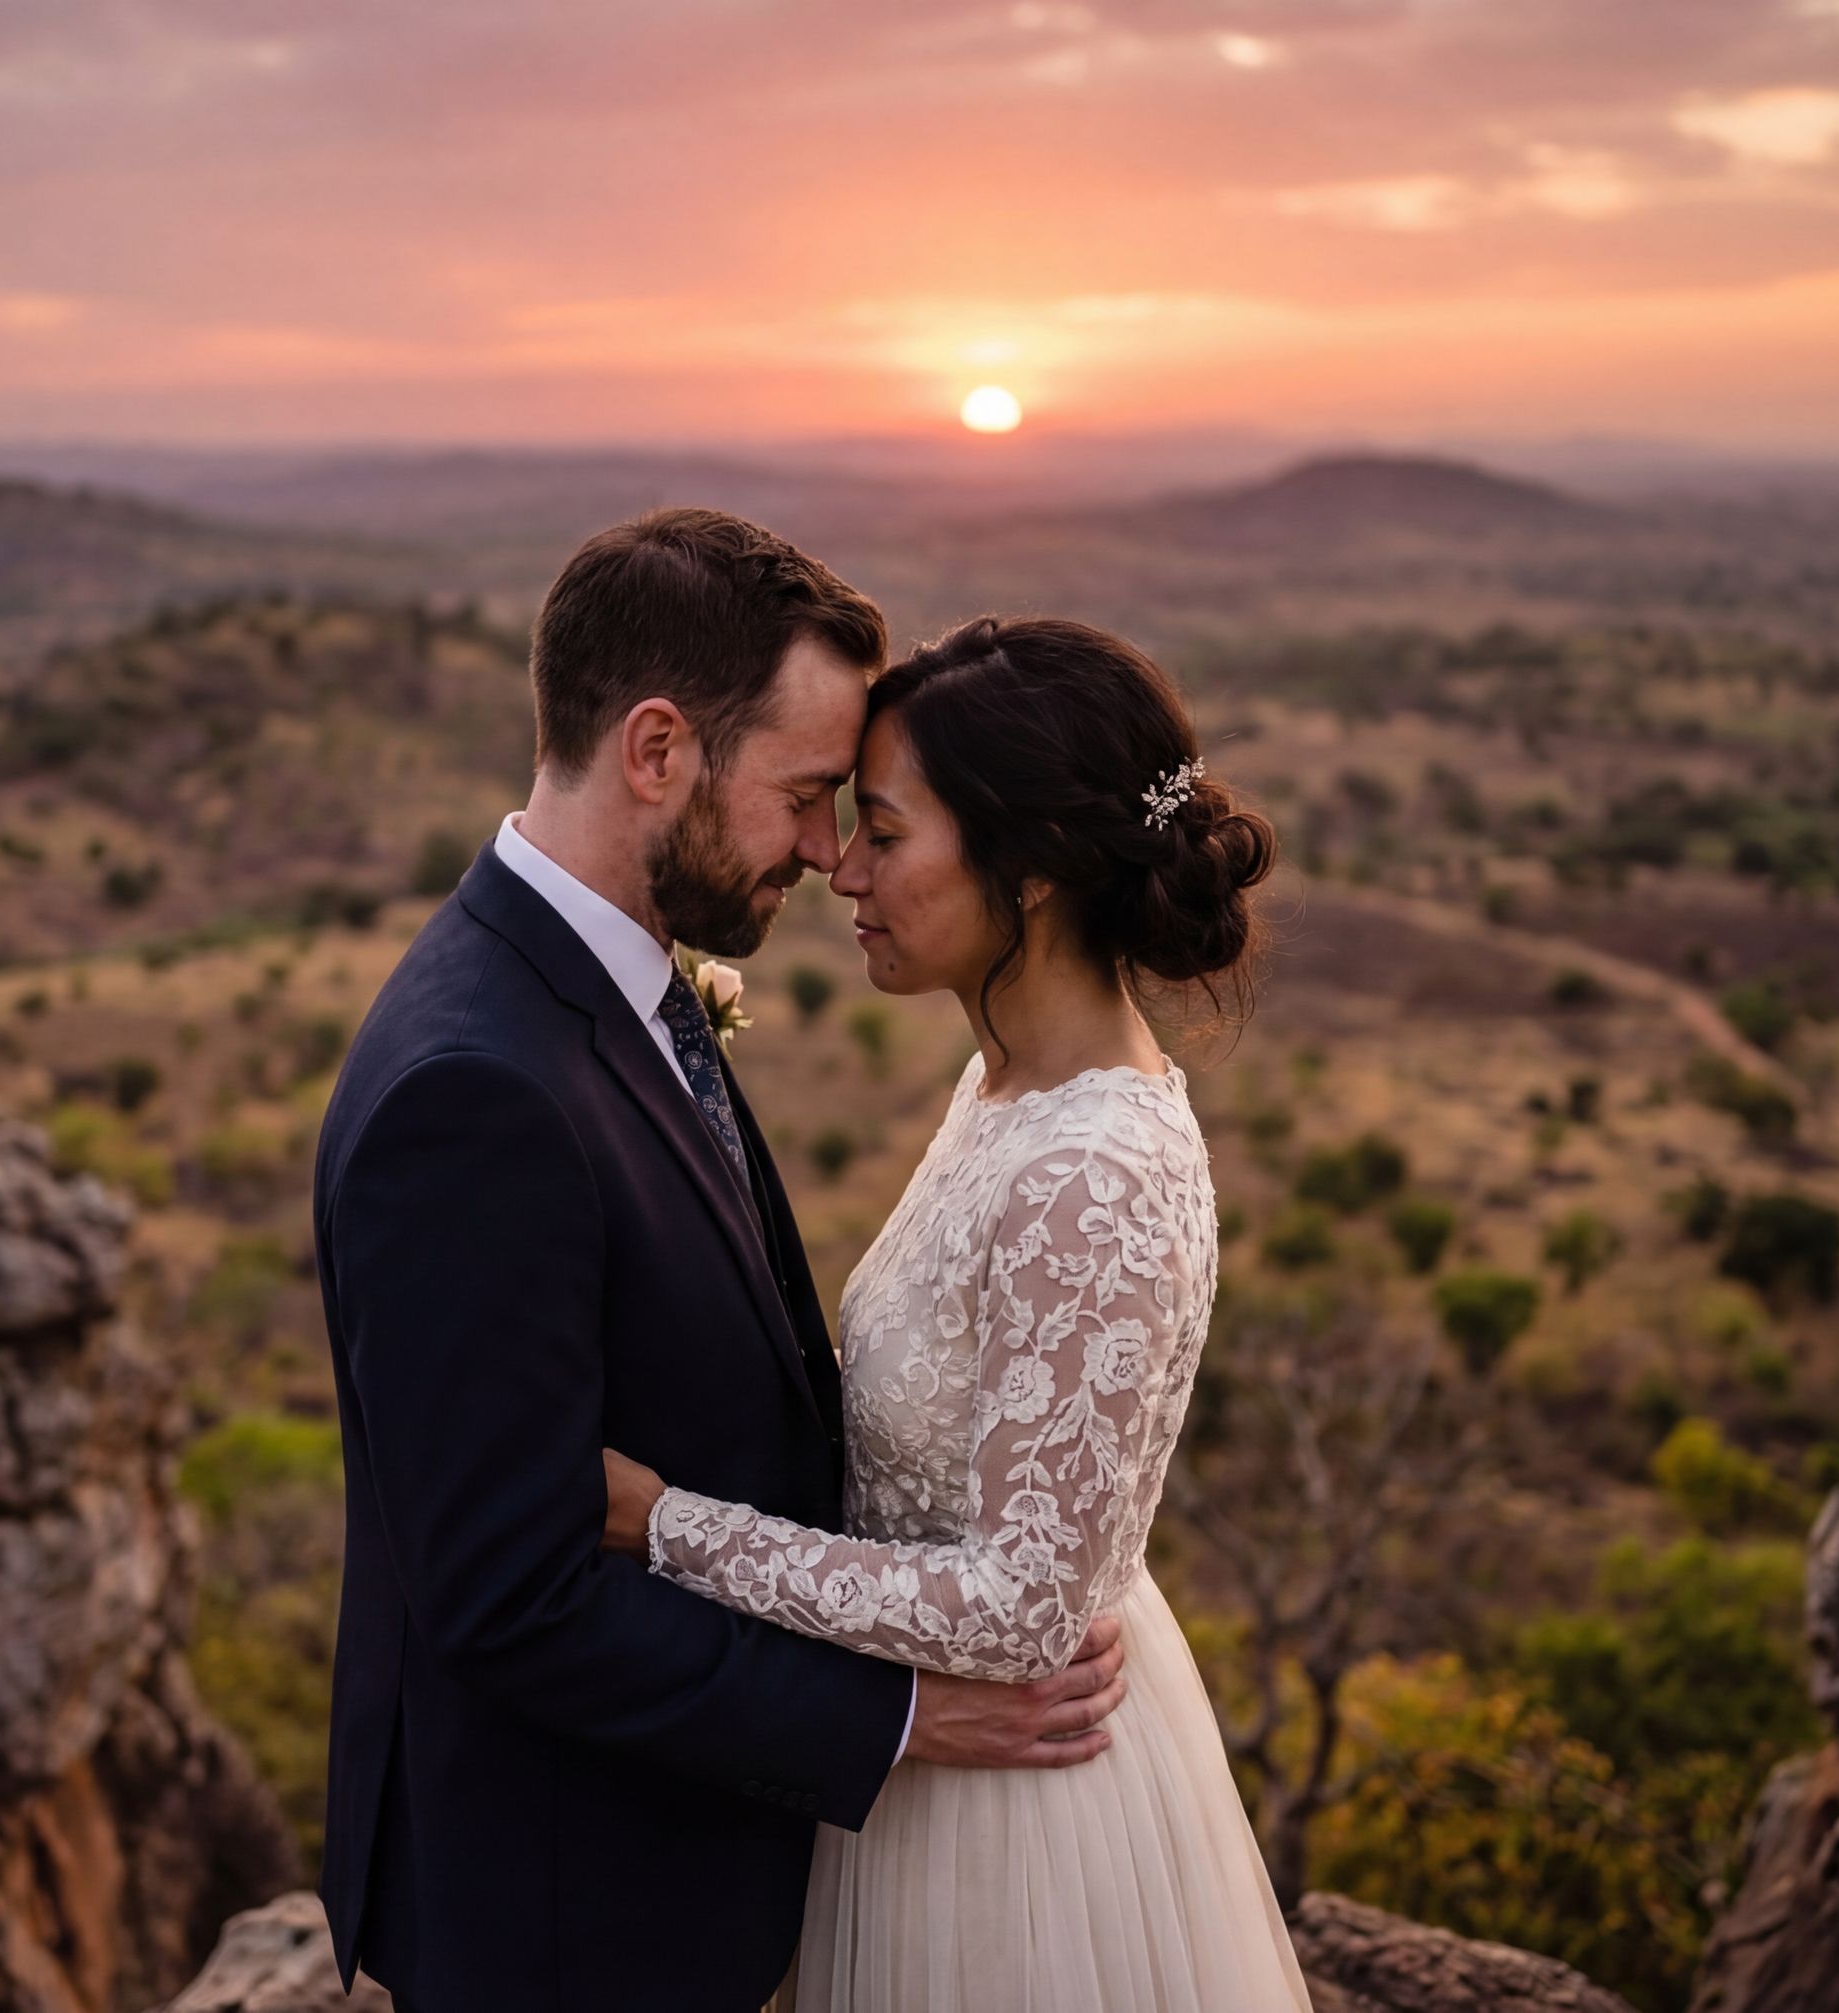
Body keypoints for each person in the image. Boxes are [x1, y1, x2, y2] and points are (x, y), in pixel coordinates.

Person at [313, 514, 1132, 2013]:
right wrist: (895, 1717)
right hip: (572, 1923)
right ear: (657, 752)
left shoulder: (605, 977)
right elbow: (510, 1597)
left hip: (674, 1868)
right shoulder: (474, 1091)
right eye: (806, 795)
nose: (825, 852)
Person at [597, 614, 1319, 2011]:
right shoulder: (1004, 1088)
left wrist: (664, 1524)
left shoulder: (1089, 1172)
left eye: (884, 832)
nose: (842, 869)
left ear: (1030, 867)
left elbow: (1021, 1610)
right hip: (922, 1753)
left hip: (1018, 1815)